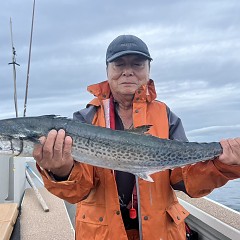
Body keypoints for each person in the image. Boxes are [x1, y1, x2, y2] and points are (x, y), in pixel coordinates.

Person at [33, 35, 240, 240]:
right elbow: (80, 190)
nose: (128, 71)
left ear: (148, 70)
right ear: (107, 70)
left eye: (137, 64)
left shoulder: (166, 117)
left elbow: (185, 179)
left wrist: (223, 167)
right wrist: (60, 171)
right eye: (119, 64)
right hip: (102, 233)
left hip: (160, 233)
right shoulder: (85, 119)